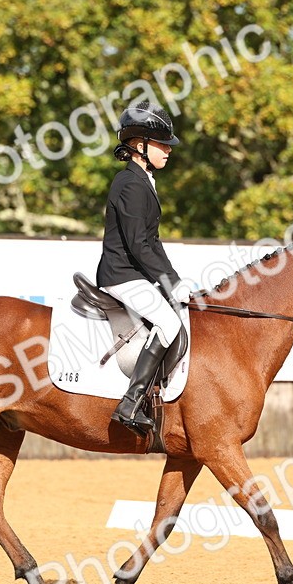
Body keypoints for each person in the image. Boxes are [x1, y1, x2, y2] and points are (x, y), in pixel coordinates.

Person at [96, 101, 191, 434]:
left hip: (134, 272)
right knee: (167, 322)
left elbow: (154, 242)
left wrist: (174, 280)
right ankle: (131, 402)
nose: (168, 150)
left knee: (174, 312)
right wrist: (168, 282)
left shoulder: (144, 180)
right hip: (121, 274)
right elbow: (138, 245)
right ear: (139, 146)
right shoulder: (131, 185)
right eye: (162, 144)